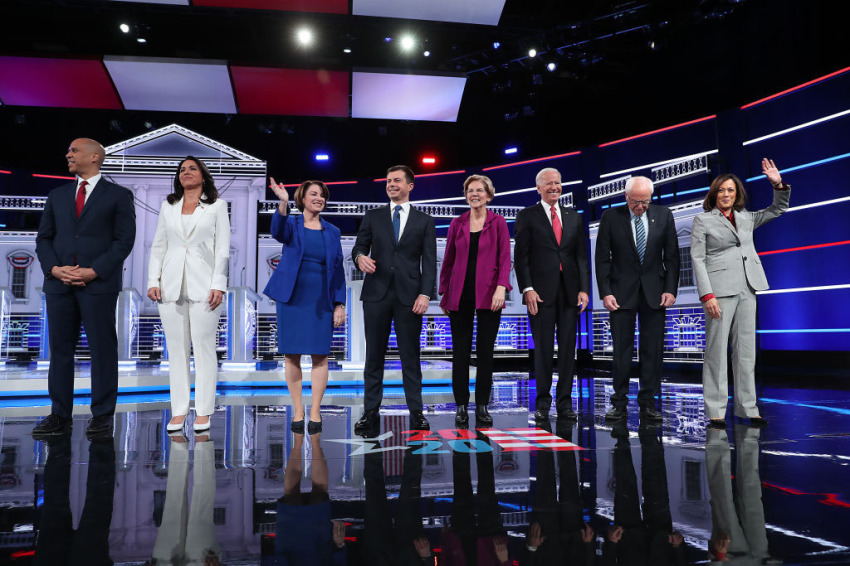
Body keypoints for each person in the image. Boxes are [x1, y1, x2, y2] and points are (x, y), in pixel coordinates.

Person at [34, 138, 136, 438]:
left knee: (103, 351)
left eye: (74, 150)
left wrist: (95, 270)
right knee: (60, 351)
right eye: (68, 150)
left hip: (98, 285)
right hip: (59, 284)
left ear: (94, 157)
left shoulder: (119, 195)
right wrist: (54, 269)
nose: (68, 154)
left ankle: (102, 416)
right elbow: (44, 239)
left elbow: (124, 241)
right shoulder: (57, 194)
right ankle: (59, 415)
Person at [691, 159, 789, 428]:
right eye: (722, 190)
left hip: (748, 287)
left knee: (746, 352)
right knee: (717, 352)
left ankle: (748, 408)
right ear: (714, 194)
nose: (726, 195)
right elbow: (697, 259)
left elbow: (779, 209)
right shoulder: (702, 220)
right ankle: (716, 410)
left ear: (737, 194)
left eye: (731, 190)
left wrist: (777, 184)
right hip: (719, 292)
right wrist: (707, 295)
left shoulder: (747, 217)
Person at [147, 156, 230, 434]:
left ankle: (204, 411)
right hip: (170, 285)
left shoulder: (217, 207)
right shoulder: (167, 207)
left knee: (204, 349)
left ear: (203, 176)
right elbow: (159, 246)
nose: (186, 172)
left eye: (192, 168)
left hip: (205, 286)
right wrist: (153, 279)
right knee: (177, 351)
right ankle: (179, 410)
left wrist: (218, 283)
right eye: (182, 169)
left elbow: (222, 249)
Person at [351, 165, 437, 434]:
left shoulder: (424, 220)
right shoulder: (373, 216)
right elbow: (359, 246)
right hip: (376, 294)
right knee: (373, 357)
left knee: (410, 357)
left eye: (397, 180)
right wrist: (359, 257)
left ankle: (417, 412)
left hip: (410, 297)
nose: (391, 184)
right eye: (388, 181)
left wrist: (425, 294)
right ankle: (370, 412)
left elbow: (429, 262)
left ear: (410, 185)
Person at [263, 179, 346, 435]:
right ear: (303, 198)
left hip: (321, 297)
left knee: (320, 355)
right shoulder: (290, 223)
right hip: (292, 296)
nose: (319, 198)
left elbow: (339, 267)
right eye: (314, 194)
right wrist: (283, 201)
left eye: (322, 195)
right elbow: (277, 231)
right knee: (292, 354)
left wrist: (339, 303)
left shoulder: (332, 231)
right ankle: (298, 409)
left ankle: (315, 410)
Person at [595, 176, 680, 423]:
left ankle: (648, 403)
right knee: (621, 350)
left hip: (655, 292)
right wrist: (606, 291)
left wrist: (670, 289)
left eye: (645, 202)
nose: (640, 206)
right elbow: (602, 258)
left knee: (652, 351)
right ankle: (618, 403)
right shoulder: (610, 217)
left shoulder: (664, 215)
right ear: (626, 197)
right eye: (635, 202)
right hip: (620, 294)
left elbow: (672, 257)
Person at [514, 167, 590, 425]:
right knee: (544, 350)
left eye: (557, 183)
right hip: (540, 293)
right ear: (538, 188)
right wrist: (528, 289)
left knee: (569, 350)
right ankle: (543, 403)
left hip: (570, 292)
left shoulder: (574, 217)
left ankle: (565, 403)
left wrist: (583, 288)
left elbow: (580, 256)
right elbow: (521, 257)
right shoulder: (527, 215)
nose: (554, 187)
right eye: (548, 184)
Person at [439, 174, 512, 427]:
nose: (474, 194)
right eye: (470, 190)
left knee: (485, 352)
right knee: (459, 352)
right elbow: (448, 261)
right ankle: (461, 406)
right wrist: (444, 293)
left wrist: (502, 288)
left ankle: (482, 405)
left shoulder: (498, 222)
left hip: (490, 294)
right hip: (459, 294)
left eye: (479, 190)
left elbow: (505, 258)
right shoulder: (456, 223)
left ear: (488, 195)